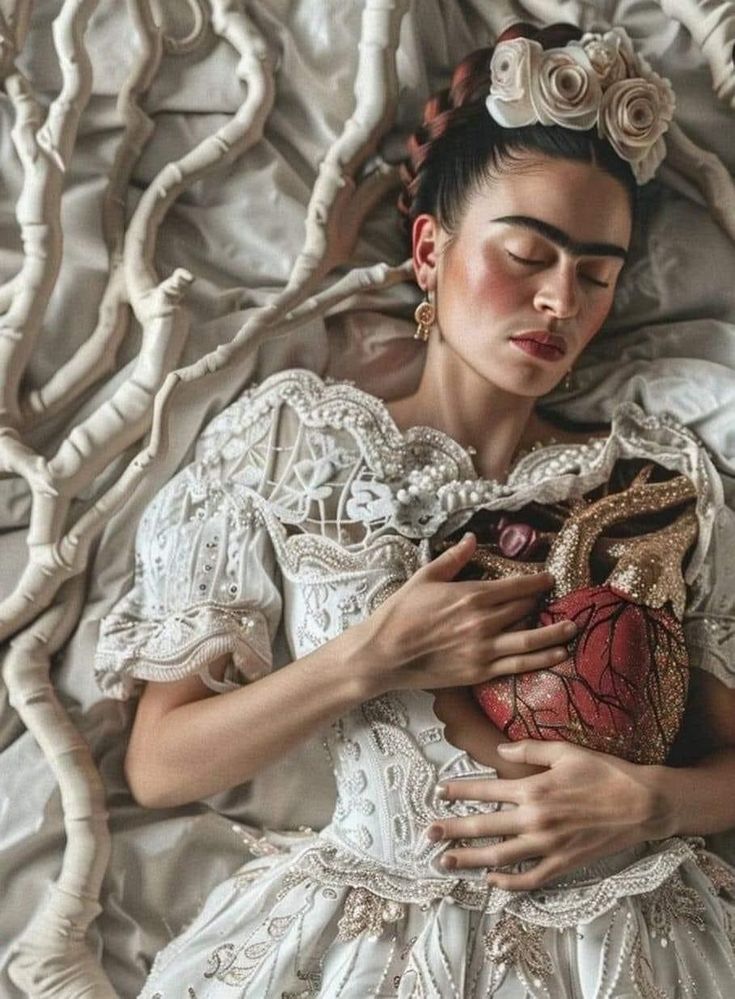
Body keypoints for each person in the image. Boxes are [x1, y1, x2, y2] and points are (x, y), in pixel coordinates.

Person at [94, 22, 735, 997]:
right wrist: (368, 660)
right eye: (528, 255)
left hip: (632, 942)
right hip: (362, 942)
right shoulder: (294, 440)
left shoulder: (658, 481)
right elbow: (158, 765)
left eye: (596, 275)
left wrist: (655, 802)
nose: (559, 299)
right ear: (431, 249)